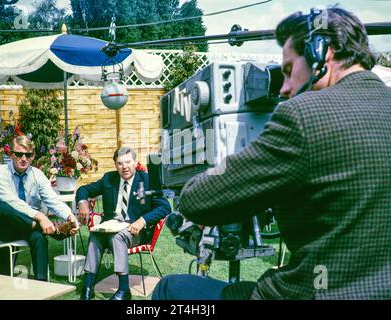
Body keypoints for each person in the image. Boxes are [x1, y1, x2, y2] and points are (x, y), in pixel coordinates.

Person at [152, 6, 391, 300]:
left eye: (288, 72)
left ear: (322, 52)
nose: (284, 89)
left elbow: (197, 201)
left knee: (171, 288)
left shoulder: (303, 115)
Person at [77, 147, 171, 300]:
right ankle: (88, 286)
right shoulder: (108, 179)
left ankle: (124, 289)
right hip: (110, 227)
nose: (124, 167)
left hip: (135, 230)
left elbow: (165, 207)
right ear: (115, 165)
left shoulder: (147, 180)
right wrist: (82, 203)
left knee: (117, 237)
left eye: (128, 162)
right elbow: (83, 189)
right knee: (95, 236)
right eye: (120, 163)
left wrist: (142, 221)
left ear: (135, 162)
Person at [0, 135, 79, 281]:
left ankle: (41, 285)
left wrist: (71, 217)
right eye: (19, 154)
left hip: (29, 226)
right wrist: (42, 218)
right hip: (4, 228)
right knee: (2, 207)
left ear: (33, 156)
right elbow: (14, 202)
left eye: (28, 155)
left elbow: (52, 200)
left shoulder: (38, 175)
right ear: (11, 154)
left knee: (39, 237)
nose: (24, 158)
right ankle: (56, 232)